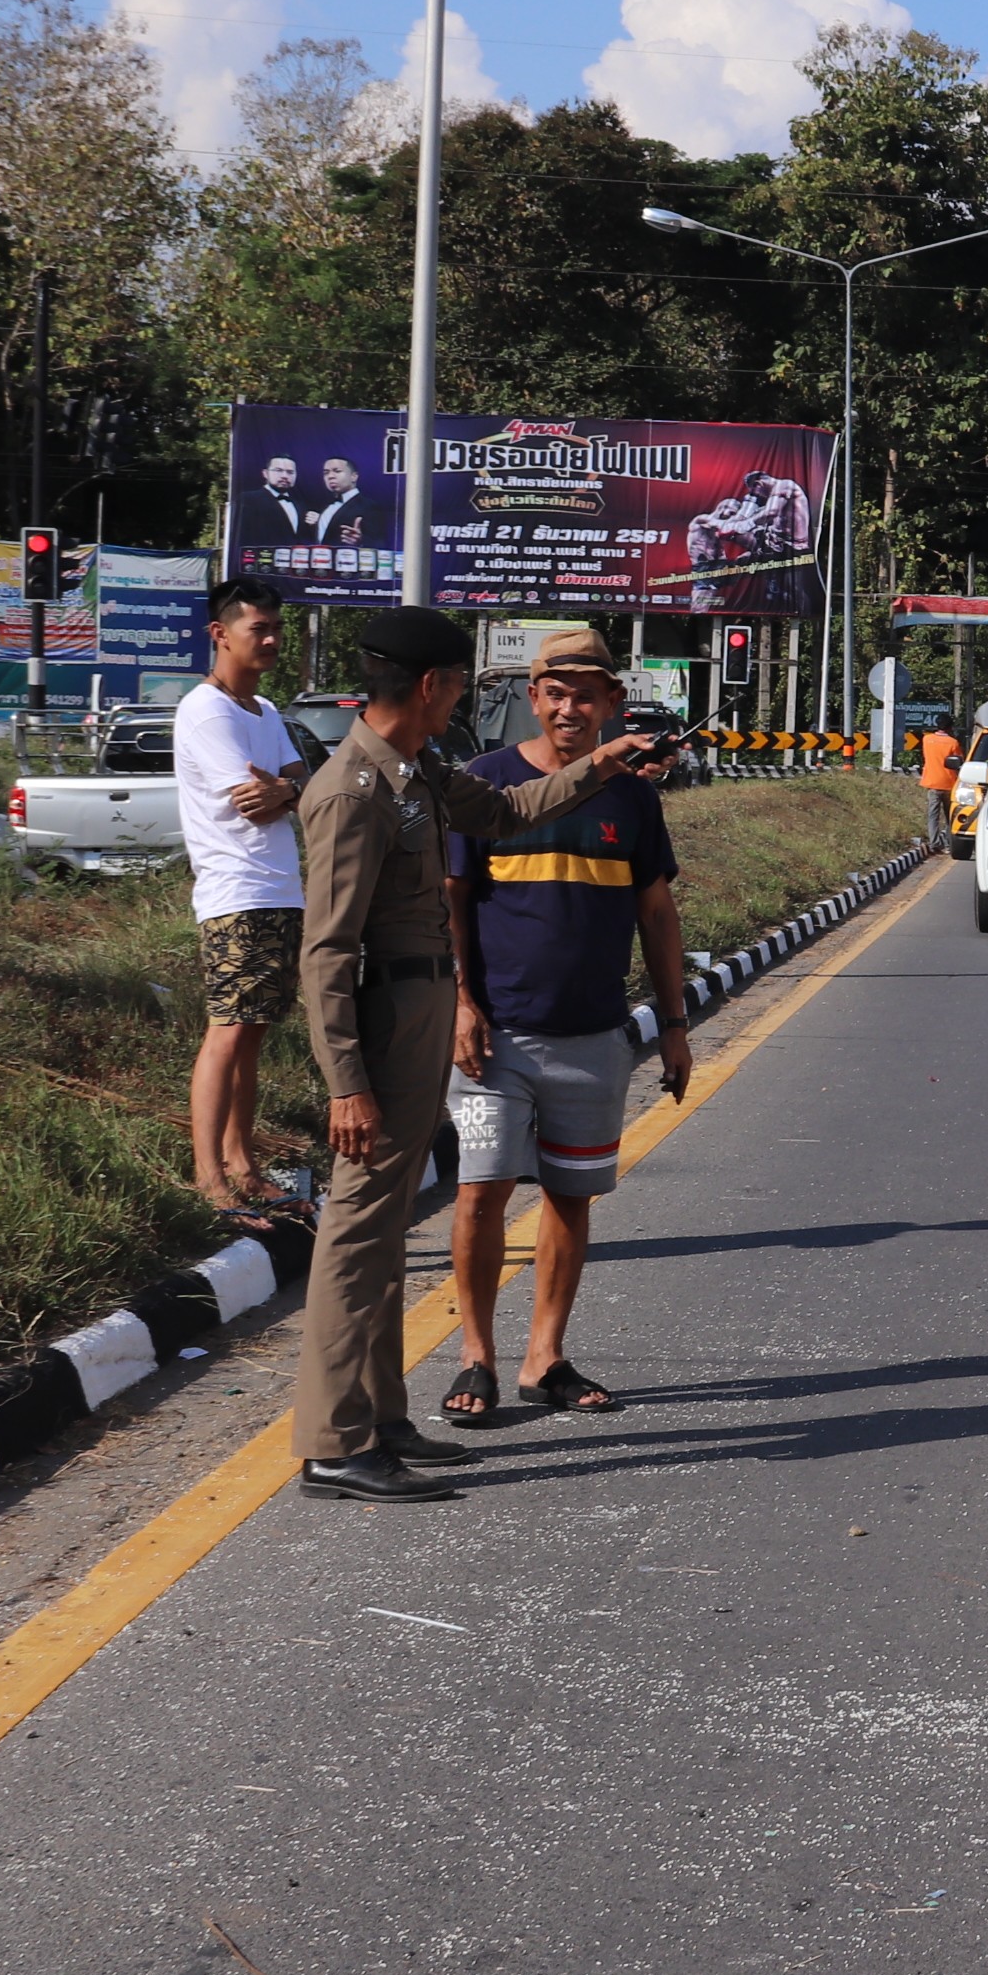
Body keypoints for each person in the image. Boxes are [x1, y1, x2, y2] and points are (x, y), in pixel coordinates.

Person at [293, 606, 666, 1504]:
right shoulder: (353, 792)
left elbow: (505, 812)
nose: (464, 700)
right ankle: (333, 1442)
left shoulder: (415, 771)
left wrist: (606, 761)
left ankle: (382, 1420)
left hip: (421, 1016)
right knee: (355, 1238)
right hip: (385, 1023)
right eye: (460, 684)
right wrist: (346, 1085)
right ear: (429, 686)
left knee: (386, 1234)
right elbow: (326, 952)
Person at [438, 627, 691, 1427]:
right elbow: (448, 904)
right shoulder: (485, 783)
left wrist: (675, 1025)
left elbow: (656, 911)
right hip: (495, 1037)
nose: (569, 706)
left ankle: (544, 1355)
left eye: (587, 693)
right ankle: (475, 1355)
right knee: (479, 1193)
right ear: (534, 698)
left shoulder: (632, 797)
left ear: (613, 702)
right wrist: (461, 1003)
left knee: (569, 1196)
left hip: (593, 1036)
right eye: (555, 691)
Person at [174, 580, 308, 1215]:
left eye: (277, 626)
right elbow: (251, 802)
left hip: (281, 890)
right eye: (260, 628)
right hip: (236, 891)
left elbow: (296, 785)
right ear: (220, 634)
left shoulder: (267, 711)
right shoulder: (206, 711)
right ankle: (210, 1177)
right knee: (226, 1031)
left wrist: (286, 790)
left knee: (252, 1034)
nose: (273, 639)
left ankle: (242, 1162)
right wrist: (285, 791)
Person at [916, 718, 963, 842]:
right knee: (950, 816)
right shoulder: (953, 743)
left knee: (933, 815)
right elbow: (959, 762)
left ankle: (934, 842)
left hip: (932, 782)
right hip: (949, 783)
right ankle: (949, 843)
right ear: (950, 728)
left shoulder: (927, 740)